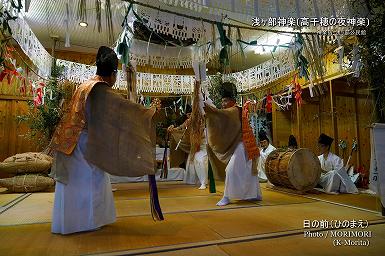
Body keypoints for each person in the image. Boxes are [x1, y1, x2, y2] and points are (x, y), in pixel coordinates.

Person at [50, 46, 158, 234]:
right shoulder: (100, 89)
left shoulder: (84, 85)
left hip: (70, 141)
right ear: (113, 73)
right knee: (91, 180)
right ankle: (88, 223)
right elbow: (123, 110)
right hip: (84, 143)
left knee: (73, 184)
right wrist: (149, 113)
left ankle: (68, 223)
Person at [203, 82, 262, 206]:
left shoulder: (234, 110)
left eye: (225, 100)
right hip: (241, 144)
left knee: (231, 170)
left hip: (243, 144)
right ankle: (254, 194)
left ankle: (227, 196)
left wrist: (207, 107)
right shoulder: (233, 110)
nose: (223, 103)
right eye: (222, 101)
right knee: (247, 171)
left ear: (231, 100)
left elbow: (220, 114)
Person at [168, 105, 208, 189]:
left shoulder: (203, 120)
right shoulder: (188, 122)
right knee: (192, 162)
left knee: (200, 160)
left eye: (191, 114)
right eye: (188, 115)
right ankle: (196, 181)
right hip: (195, 146)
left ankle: (203, 182)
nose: (189, 116)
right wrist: (172, 129)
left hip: (204, 145)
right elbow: (179, 128)